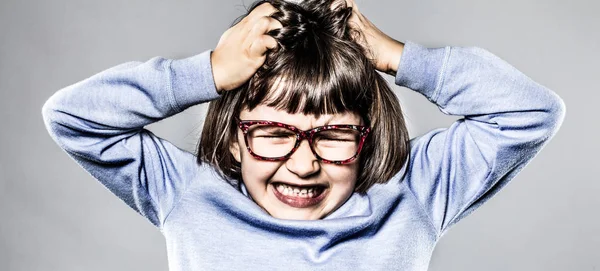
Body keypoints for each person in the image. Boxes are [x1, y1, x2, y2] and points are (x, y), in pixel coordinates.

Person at [41, 0, 566, 270]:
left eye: (334, 134)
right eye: (273, 132)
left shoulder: (414, 194)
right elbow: (73, 117)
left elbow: (530, 112)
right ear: (230, 137)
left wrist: (395, 56)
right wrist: (207, 72)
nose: (303, 163)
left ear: (369, 135)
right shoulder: (188, 192)